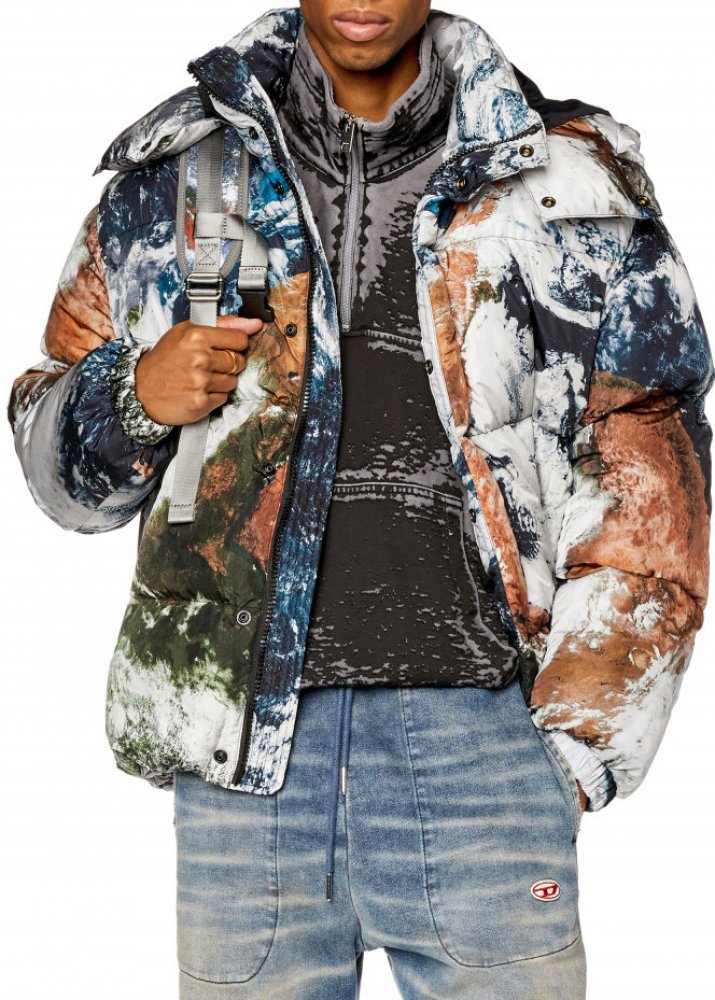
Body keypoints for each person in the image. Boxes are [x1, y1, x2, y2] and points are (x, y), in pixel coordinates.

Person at [8, 2, 713, 997]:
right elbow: (59, 478)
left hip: (484, 751)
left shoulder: (562, 176)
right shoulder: (179, 175)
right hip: (243, 761)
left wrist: (575, 745)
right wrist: (133, 395)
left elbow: (651, 462)